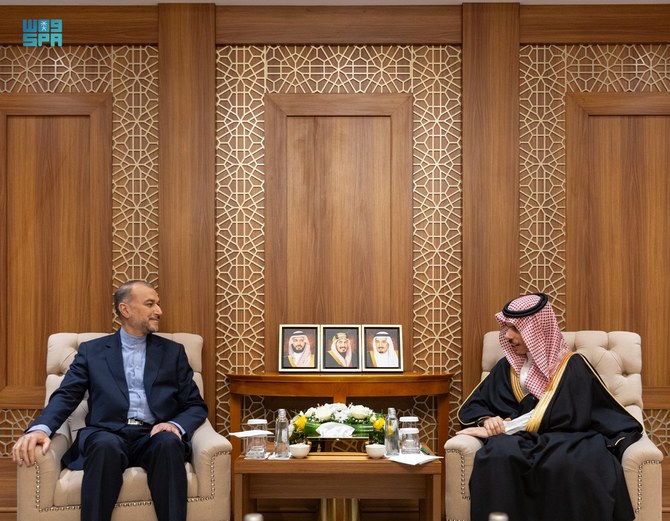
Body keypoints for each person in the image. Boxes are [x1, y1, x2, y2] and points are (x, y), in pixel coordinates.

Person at [11, 280, 208, 521]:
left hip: (154, 435)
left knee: (169, 443)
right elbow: (67, 394)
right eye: (150, 304)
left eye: (158, 303)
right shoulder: (92, 352)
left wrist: (175, 426)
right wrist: (41, 428)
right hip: (107, 432)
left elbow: (195, 405)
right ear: (125, 310)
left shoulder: (173, 353)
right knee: (104, 446)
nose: (159, 311)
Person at [457, 293, 642, 521]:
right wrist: (488, 420)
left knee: (580, 463)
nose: (508, 336)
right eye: (507, 328)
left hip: (568, 436)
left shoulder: (572, 365)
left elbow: (565, 413)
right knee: (497, 456)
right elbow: (478, 404)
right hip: (520, 440)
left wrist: (507, 428)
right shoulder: (508, 367)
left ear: (536, 331)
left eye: (515, 329)